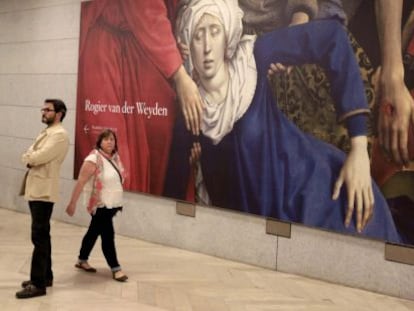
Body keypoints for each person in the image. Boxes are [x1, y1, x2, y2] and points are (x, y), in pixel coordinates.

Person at [164, 0, 401, 243]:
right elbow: (170, 200)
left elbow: (333, 38)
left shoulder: (253, 57)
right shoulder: (189, 112)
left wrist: (359, 150)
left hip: (312, 199)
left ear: (227, 35)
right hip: (257, 236)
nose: (206, 48)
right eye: (197, 36)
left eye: (214, 32)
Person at [75, 0, 203, 194]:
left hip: (132, 50)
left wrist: (171, 48)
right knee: (115, 161)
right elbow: (147, 11)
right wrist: (181, 76)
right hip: (104, 56)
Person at [16, 99, 69, 299]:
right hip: (37, 187)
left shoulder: (60, 135)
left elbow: (36, 157)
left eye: (48, 109)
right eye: (43, 109)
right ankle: (46, 276)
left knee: (39, 237)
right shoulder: (47, 132)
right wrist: (30, 156)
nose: (44, 112)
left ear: (59, 113)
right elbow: (30, 153)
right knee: (42, 235)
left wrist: (30, 157)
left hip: (44, 191)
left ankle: (38, 284)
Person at [66, 129, 128, 282]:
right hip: (100, 205)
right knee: (108, 235)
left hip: (112, 204)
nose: (110, 142)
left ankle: (82, 260)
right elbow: (81, 181)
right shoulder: (93, 158)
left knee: (93, 232)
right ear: (99, 142)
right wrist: (72, 203)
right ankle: (115, 268)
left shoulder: (114, 158)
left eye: (112, 139)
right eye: (106, 139)